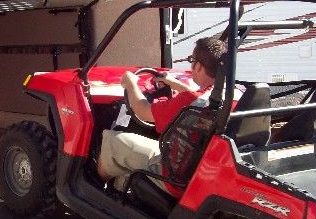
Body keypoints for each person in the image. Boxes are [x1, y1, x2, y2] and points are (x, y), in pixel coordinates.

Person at [96, 36, 227, 189]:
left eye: (192, 60)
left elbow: (142, 110)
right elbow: (197, 97)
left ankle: (97, 187)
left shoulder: (189, 102)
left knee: (112, 140)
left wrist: (131, 84)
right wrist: (172, 83)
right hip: (197, 169)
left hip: (172, 174)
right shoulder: (226, 95)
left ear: (198, 66)